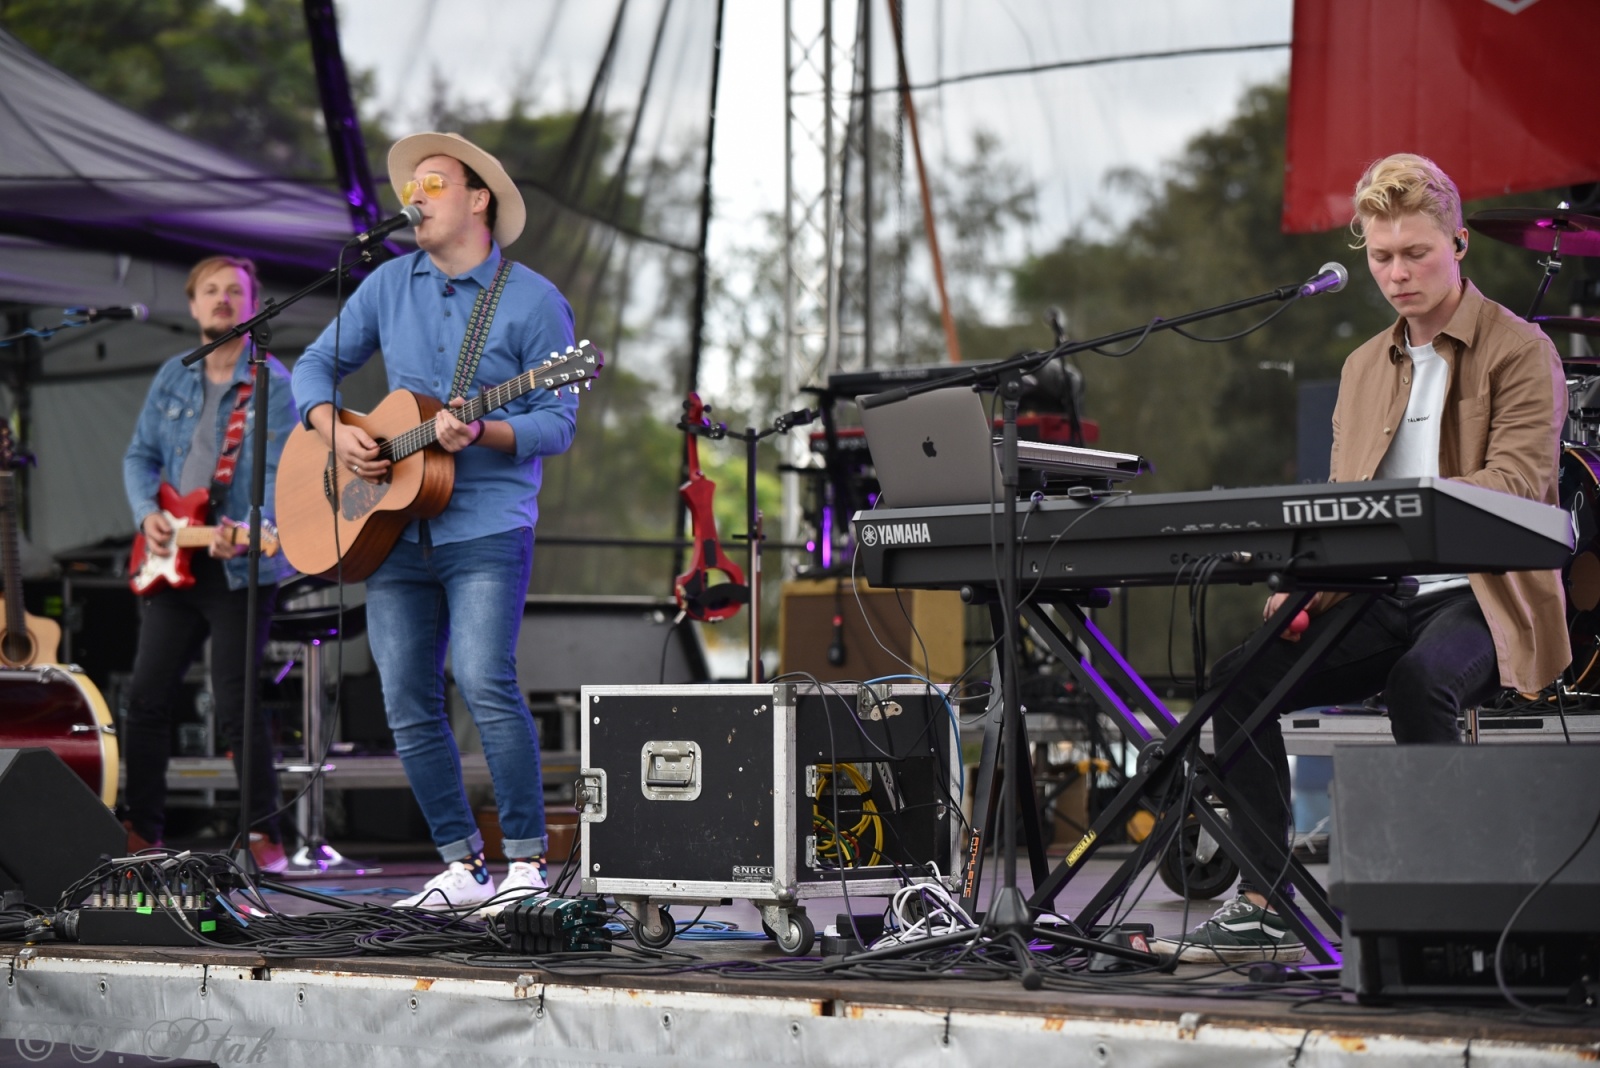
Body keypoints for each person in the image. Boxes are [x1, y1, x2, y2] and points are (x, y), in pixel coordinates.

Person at [1158, 153, 1569, 962]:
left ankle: (1449, 908)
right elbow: (1347, 501)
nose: (1397, 273)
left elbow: (1520, 483)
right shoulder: (1359, 368)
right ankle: (1267, 901)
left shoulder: (1521, 350)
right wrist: (1310, 583)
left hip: (1485, 590)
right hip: (1379, 592)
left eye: (1416, 252)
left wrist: (1408, 512)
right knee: (1238, 684)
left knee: (1423, 682)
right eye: (1381, 256)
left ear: (1458, 243)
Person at [290, 132, 579, 913]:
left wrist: (480, 430)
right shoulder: (388, 284)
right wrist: (330, 427)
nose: (413, 198)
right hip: (392, 530)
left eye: (433, 183)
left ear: (478, 197)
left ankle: (524, 865)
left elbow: (558, 422)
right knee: (406, 701)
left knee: (485, 679)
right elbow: (313, 366)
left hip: (486, 524)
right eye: (410, 187)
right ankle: (460, 865)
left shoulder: (532, 301)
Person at [122, 255, 299, 871]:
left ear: (252, 304)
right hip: (170, 559)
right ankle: (139, 830)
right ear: (194, 305)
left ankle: (263, 836)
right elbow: (139, 456)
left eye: (235, 291)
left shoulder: (272, 382)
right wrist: (148, 511)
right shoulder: (174, 373)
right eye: (211, 291)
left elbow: (283, 475)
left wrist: (250, 527)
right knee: (145, 697)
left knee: (234, 699)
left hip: (234, 568)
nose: (223, 300)